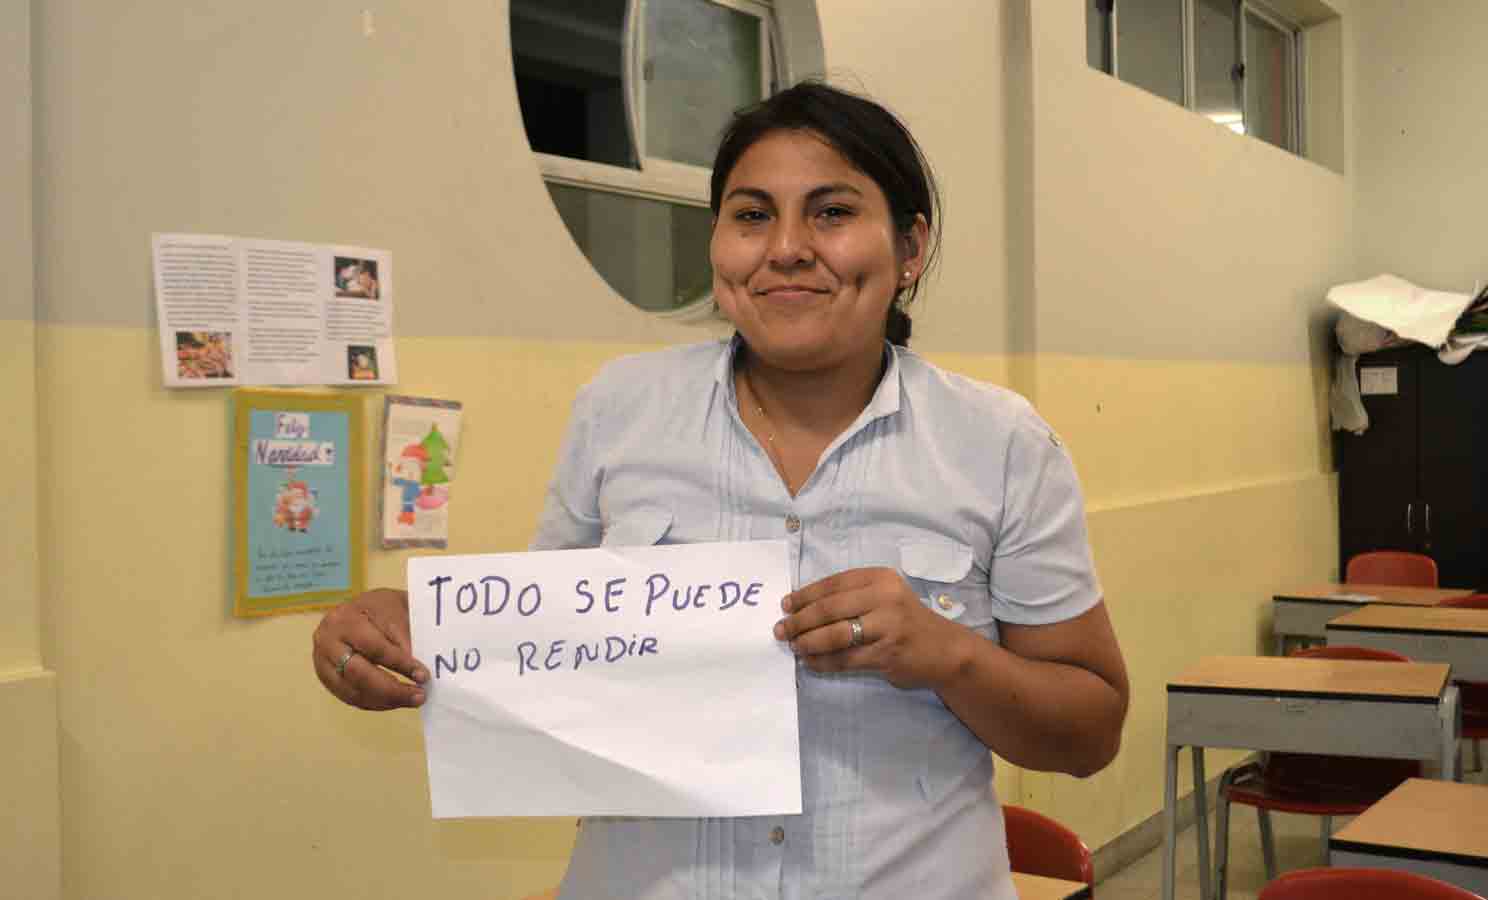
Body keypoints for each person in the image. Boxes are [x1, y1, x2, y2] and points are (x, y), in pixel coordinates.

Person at [311, 80, 1129, 899]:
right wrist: (408, 636)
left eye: (833, 212)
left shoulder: (1001, 444)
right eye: (752, 215)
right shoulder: (620, 410)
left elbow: (1090, 729)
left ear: (909, 247)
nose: (787, 248)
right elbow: (545, 655)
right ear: (718, 242)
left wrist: (949, 656)